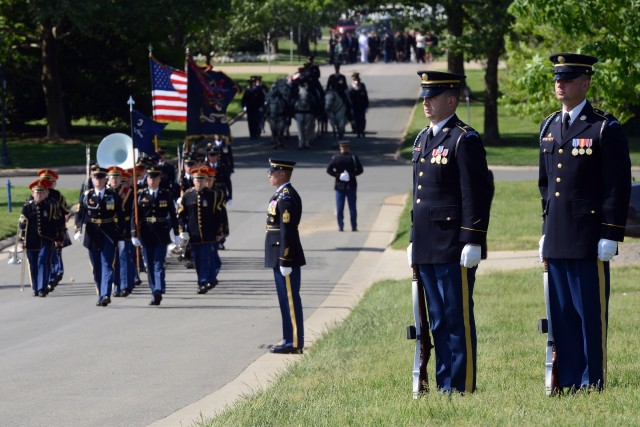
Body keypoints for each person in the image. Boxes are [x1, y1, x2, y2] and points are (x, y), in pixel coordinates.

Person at [538, 53, 631, 392]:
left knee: (588, 312)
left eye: (567, 78)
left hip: (589, 236)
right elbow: (545, 185)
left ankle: (593, 379)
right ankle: (570, 379)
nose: (559, 84)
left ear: (586, 82)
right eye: (556, 78)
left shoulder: (604, 127)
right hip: (558, 234)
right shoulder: (549, 127)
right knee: (561, 314)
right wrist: (545, 231)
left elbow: (616, 186)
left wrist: (610, 233)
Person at [407, 71, 494, 394]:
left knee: (456, 317)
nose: (426, 103)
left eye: (433, 97)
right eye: (425, 97)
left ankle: (462, 383)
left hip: (453, 245)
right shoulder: (422, 139)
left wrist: (473, 238)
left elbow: (477, 192)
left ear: (452, 100)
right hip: (427, 244)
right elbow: (419, 195)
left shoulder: (463, 138)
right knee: (437, 320)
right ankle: (444, 380)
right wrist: (414, 239)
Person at [265, 159, 306, 354]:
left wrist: (285, 259)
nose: (269, 175)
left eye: (272, 172)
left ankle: (294, 342)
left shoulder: (286, 197)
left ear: (282, 174)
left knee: (289, 299)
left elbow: (287, 231)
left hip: (284, 256)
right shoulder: (280, 194)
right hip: (279, 255)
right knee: (285, 299)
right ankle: (289, 338)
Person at [74, 167, 123, 307]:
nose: (98, 180)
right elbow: (80, 213)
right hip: (92, 235)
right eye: (96, 177)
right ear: (92, 179)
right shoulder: (87, 196)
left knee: (108, 264)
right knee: (96, 267)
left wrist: (121, 238)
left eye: (101, 177)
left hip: (109, 234)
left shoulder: (113, 195)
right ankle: (100, 294)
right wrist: (78, 228)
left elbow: (120, 217)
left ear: (105, 179)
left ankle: (106, 294)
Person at [131, 167, 180, 306]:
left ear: (159, 179)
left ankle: (158, 288)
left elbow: (172, 214)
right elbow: (135, 216)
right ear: (147, 179)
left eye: (155, 178)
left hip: (161, 233)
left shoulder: (166, 194)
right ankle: (154, 291)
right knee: (149, 265)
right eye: (150, 178)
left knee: (158, 263)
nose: (152, 181)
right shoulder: (140, 194)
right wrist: (134, 234)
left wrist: (176, 233)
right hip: (146, 234)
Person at [178, 167, 225, 294]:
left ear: (205, 181)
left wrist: (219, 232)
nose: (199, 183)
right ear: (193, 181)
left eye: (202, 180)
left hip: (208, 234)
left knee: (206, 258)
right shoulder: (188, 196)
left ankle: (203, 282)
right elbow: (182, 215)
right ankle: (203, 279)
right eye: (197, 180)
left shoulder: (212, 196)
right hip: (194, 235)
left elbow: (217, 215)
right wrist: (182, 230)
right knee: (197, 260)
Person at [18, 179, 65, 297]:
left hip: (46, 239)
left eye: (41, 192)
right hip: (31, 240)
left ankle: (42, 288)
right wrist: (21, 241)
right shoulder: (27, 207)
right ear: (33, 194)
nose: (38, 195)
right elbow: (22, 225)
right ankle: (35, 287)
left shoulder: (50, 206)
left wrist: (58, 238)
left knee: (43, 261)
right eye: (36, 192)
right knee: (33, 264)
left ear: (45, 193)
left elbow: (57, 222)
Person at [36, 169, 70, 292]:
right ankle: (47, 280)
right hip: (40, 233)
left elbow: (65, 210)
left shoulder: (56, 195)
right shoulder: (36, 194)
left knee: (56, 253)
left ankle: (56, 274)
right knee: (44, 257)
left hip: (56, 228)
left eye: (48, 181)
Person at [107, 166, 134, 297]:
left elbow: (132, 213)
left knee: (124, 258)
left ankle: (125, 285)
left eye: (117, 178)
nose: (114, 180)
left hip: (124, 228)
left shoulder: (128, 193)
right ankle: (116, 286)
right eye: (112, 178)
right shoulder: (106, 193)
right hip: (110, 229)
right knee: (114, 259)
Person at [326, 141, 364, 232]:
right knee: (343, 208)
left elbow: (329, 170)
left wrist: (339, 175)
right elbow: (360, 170)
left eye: (344, 148)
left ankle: (348, 226)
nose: (344, 149)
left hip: (345, 186)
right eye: (343, 148)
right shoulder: (349, 158)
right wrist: (347, 175)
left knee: (349, 208)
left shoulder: (339, 158)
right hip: (345, 186)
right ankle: (345, 226)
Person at [348, 72, 369, 138]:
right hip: (354, 106)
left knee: (362, 119)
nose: (354, 80)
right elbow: (350, 97)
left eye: (355, 79)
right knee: (356, 119)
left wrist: (366, 105)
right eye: (353, 79)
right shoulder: (351, 87)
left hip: (362, 105)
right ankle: (358, 132)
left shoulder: (362, 85)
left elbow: (365, 95)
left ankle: (362, 130)